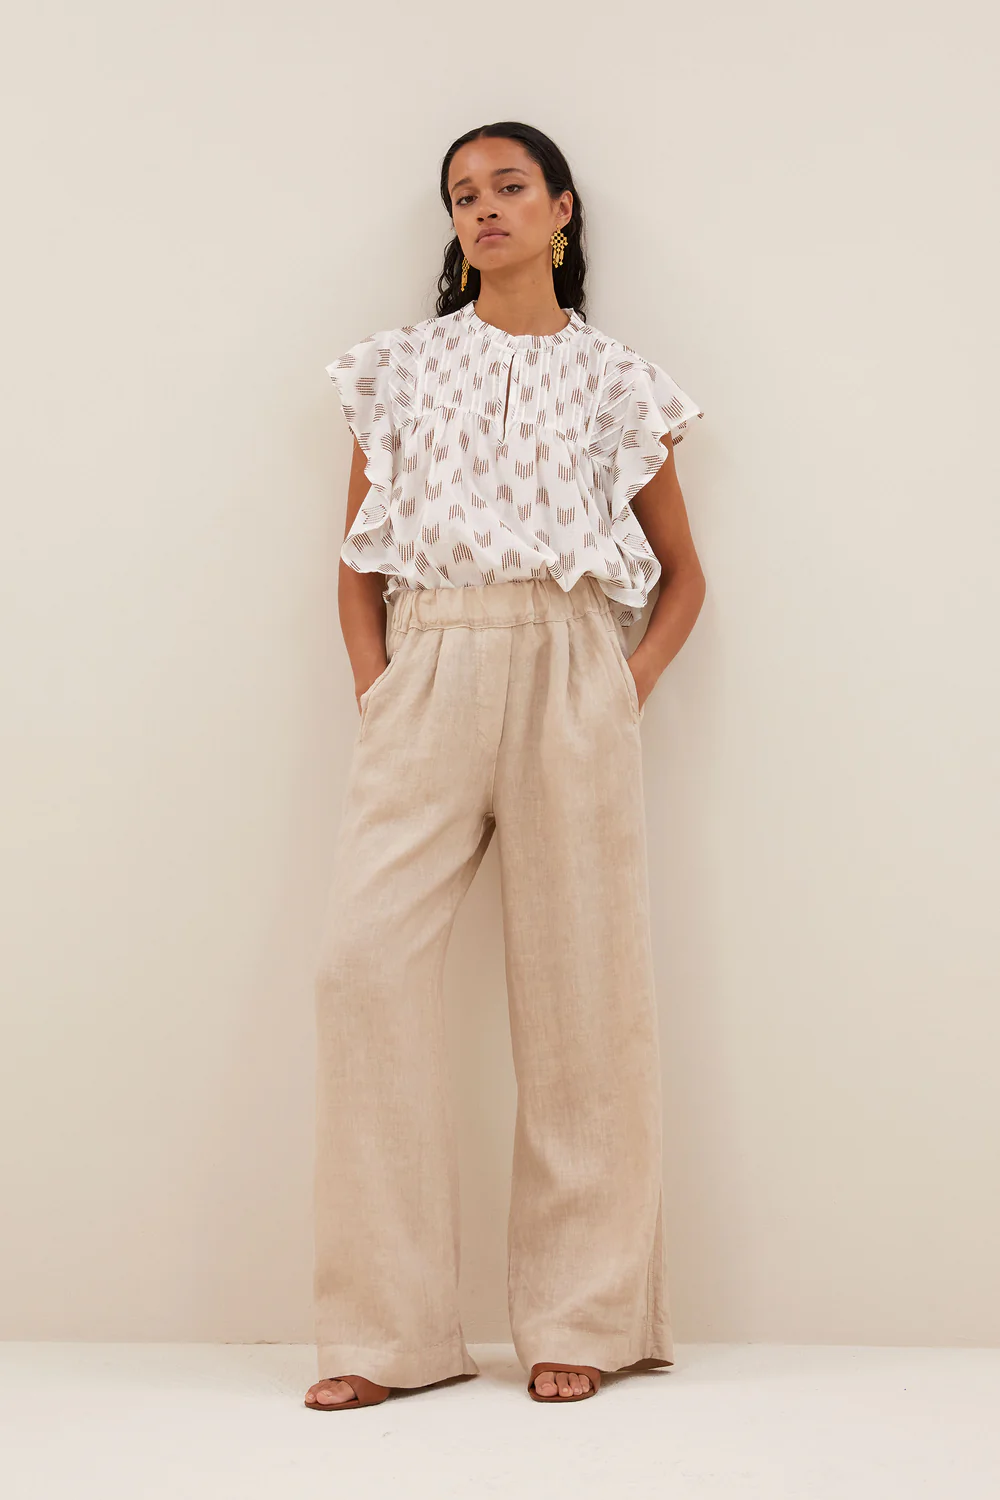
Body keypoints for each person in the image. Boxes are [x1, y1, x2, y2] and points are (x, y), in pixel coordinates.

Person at [305, 120, 706, 1411]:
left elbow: (686, 580)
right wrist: (381, 693)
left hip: (572, 671)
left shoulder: (621, 384)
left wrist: (621, 692)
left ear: (561, 209)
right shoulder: (400, 368)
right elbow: (356, 568)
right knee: (360, 971)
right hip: (429, 667)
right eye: (463, 195)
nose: (483, 209)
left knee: (585, 998)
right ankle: (387, 1333)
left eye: (509, 187)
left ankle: (583, 1316)